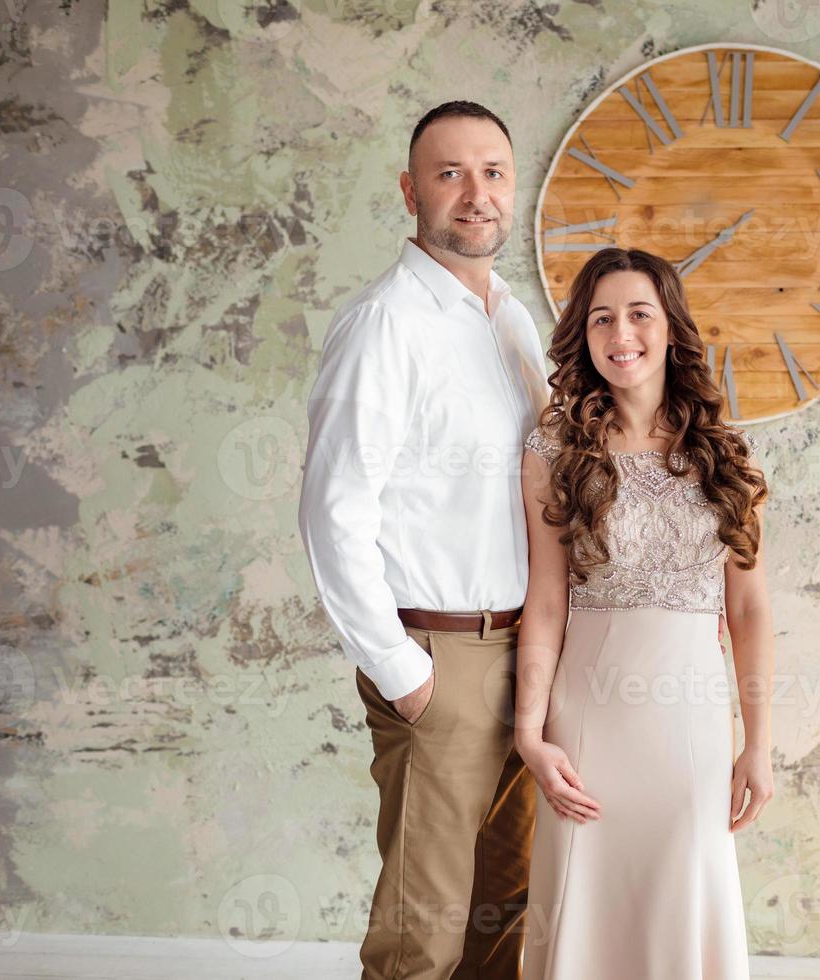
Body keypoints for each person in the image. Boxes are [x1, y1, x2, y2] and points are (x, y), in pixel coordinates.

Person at [297, 100, 548, 980]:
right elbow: (334, 510)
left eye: (492, 172)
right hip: (442, 655)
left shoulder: (514, 321)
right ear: (410, 191)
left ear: (513, 189)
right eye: (449, 174)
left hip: (532, 654)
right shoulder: (385, 324)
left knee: (504, 916)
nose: (474, 194)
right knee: (423, 935)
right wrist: (405, 676)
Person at [513, 246, 776, 978]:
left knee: (683, 897)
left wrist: (758, 743)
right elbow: (545, 599)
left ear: (670, 329)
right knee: (585, 902)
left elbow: (749, 609)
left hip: (691, 721)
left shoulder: (726, 455)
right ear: (583, 336)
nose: (619, 332)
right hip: (590, 717)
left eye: (638, 313)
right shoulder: (555, 449)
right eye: (601, 318)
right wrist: (530, 732)